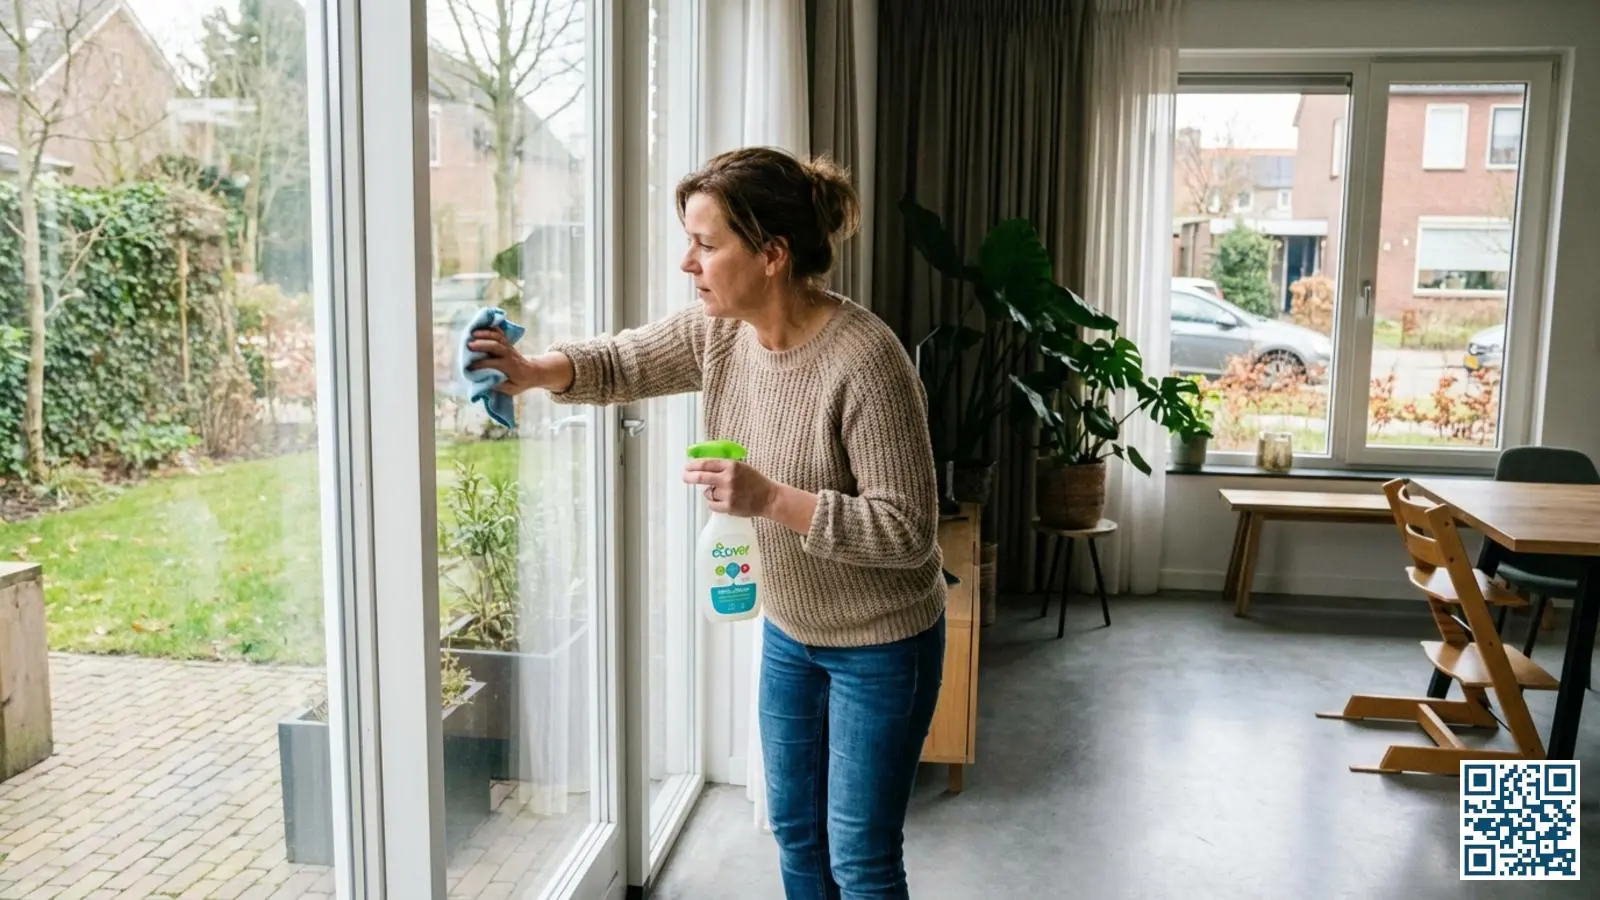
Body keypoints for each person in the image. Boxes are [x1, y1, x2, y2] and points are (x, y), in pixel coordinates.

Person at [468, 146, 946, 899]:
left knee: (860, 857)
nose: (688, 263)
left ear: (772, 255)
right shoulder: (720, 334)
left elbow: (907, 529)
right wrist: (533, 372)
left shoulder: (866, 360)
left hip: (883, 644)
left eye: (706, 243)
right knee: (795, 833)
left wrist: (770, 501)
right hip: (793, 631)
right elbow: (622, 361)